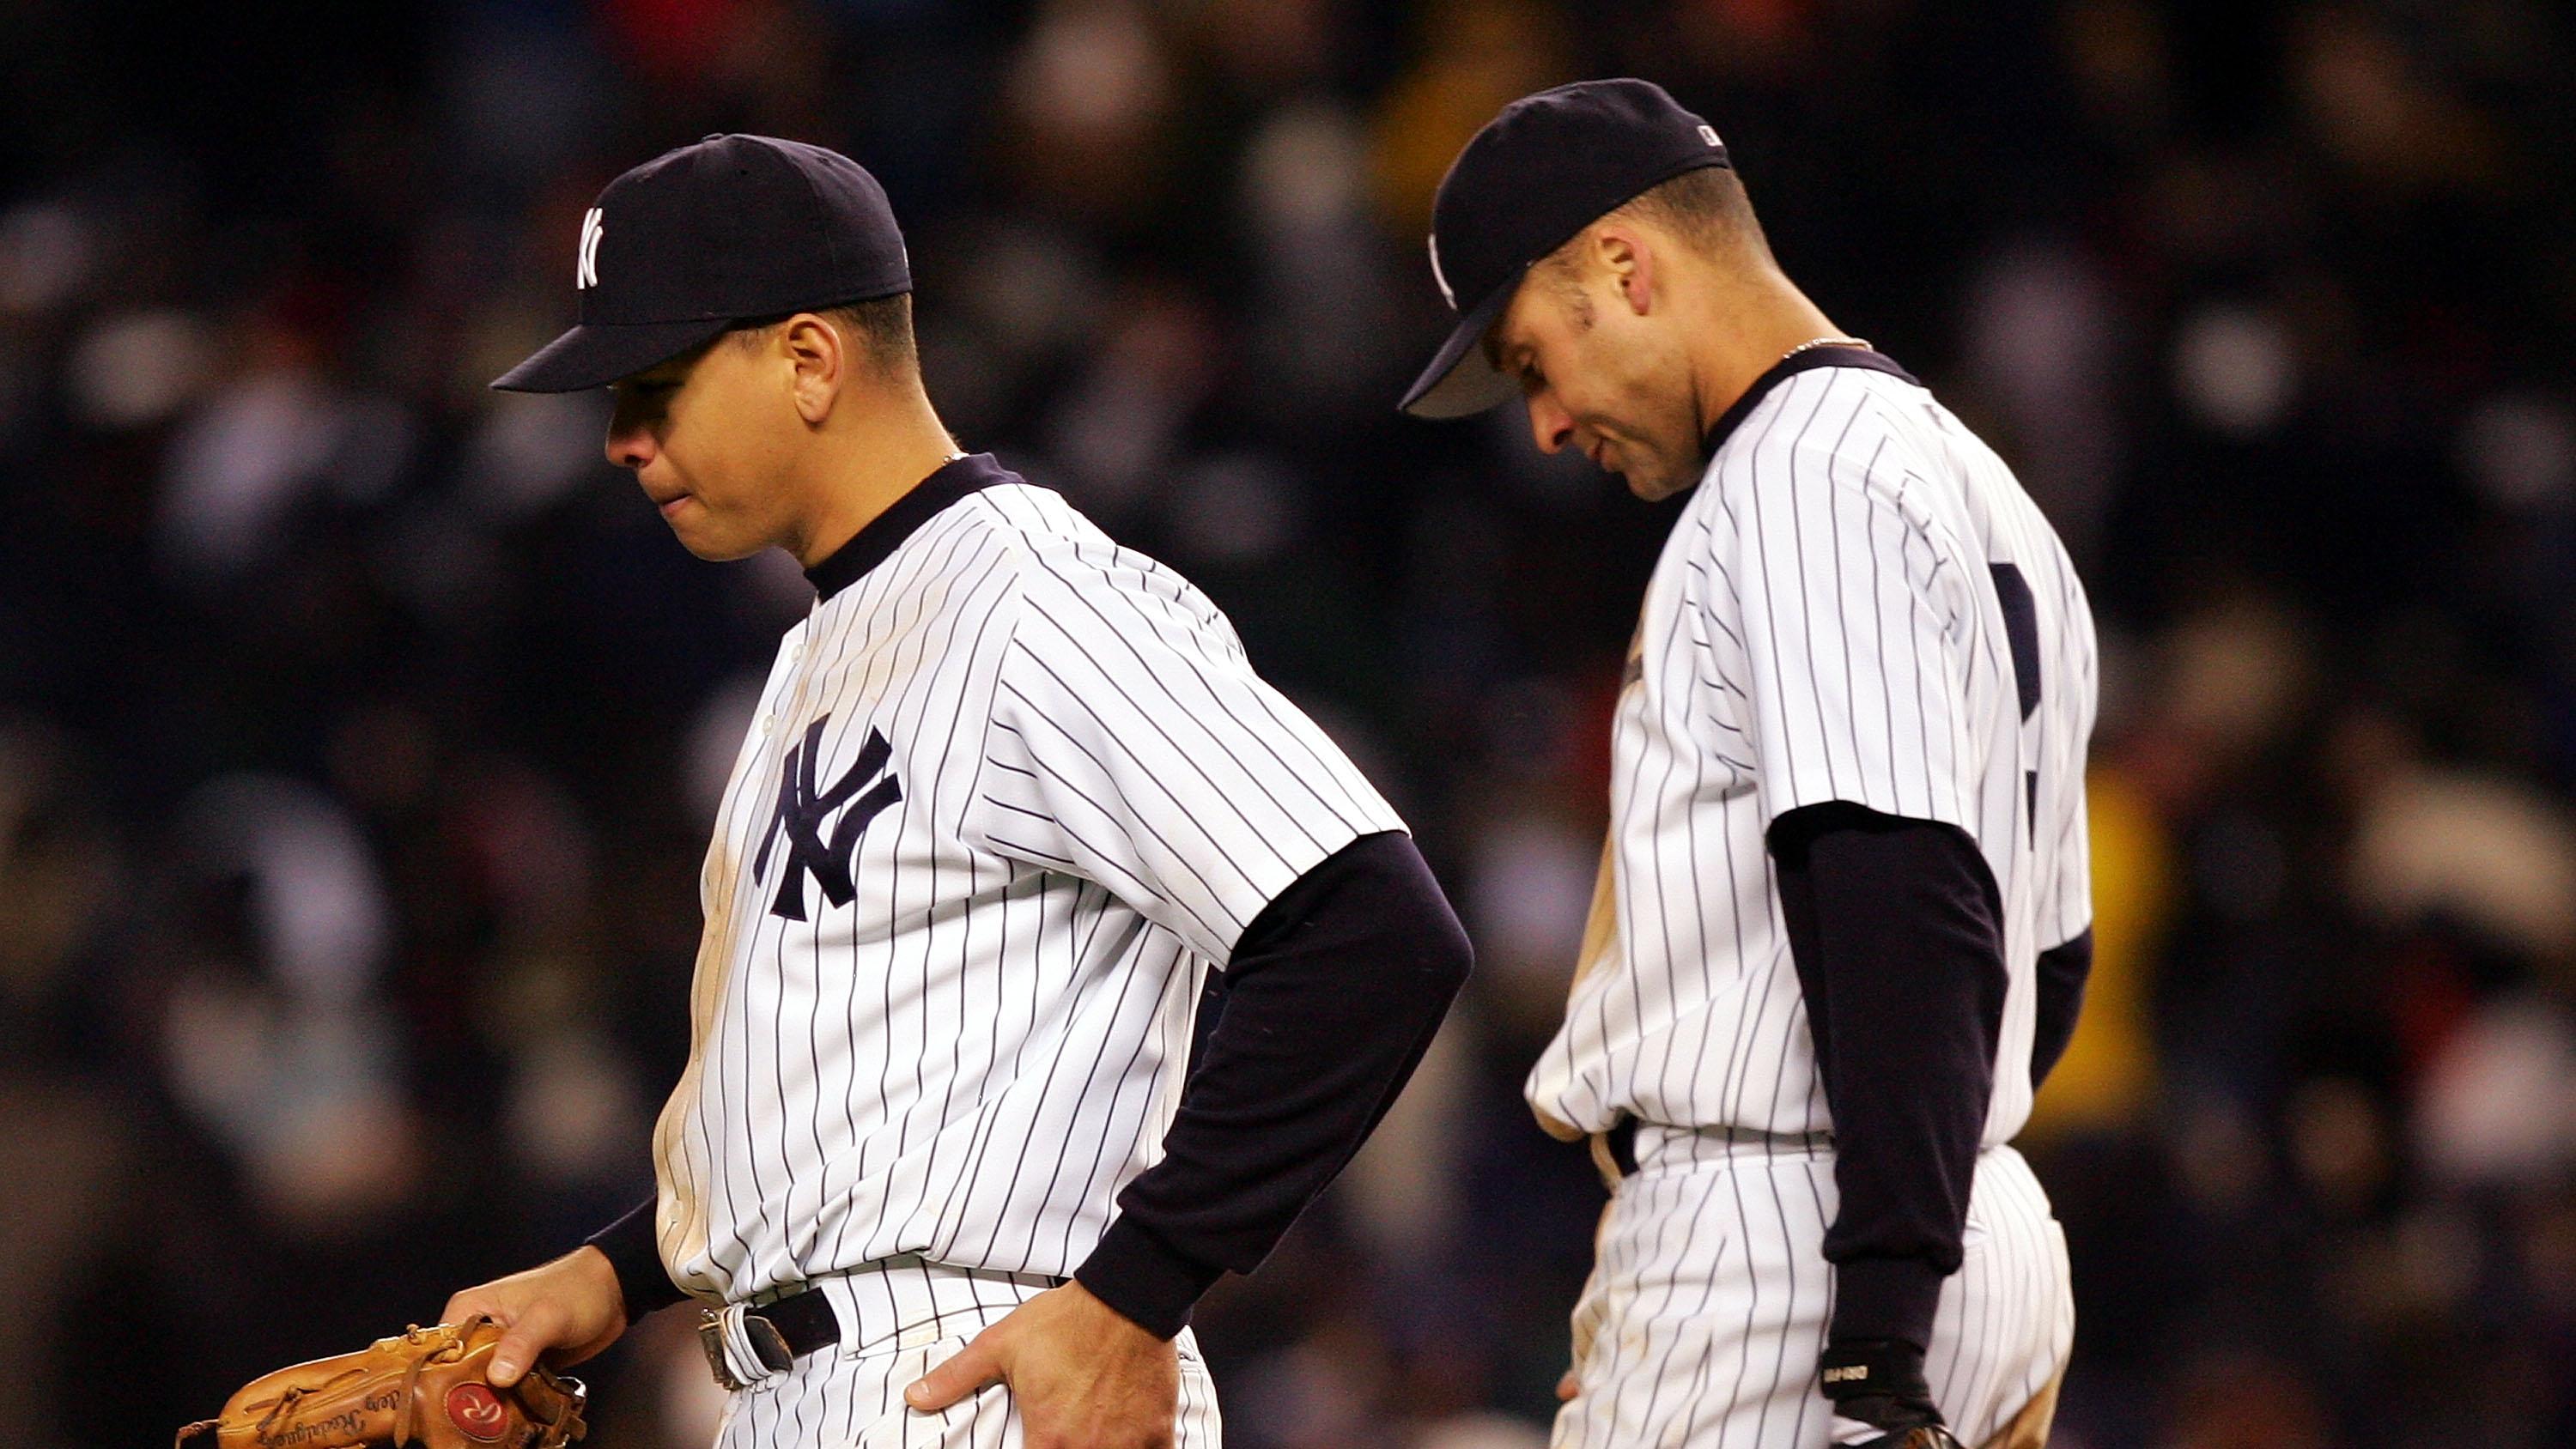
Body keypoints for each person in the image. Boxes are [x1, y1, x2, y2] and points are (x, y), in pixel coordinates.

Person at [449, 133, 1473, 1449]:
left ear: (809, 359)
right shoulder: (828, 644)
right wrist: (611, 1273)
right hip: (818, 1380)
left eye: (654, 385)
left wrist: (1136, 1296)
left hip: (980, 1376)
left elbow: (1372, 930)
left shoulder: (1033, 601)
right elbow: (852, 1111)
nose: (620, 439)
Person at [1399, 82, 2096, 1449]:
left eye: (1534, 359)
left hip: (1800, 1240)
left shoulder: (1801, 471)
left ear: (1624, 267)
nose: (1542, 423)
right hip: (1962, 1216)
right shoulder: (1983, 486)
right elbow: (2051, 961)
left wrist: (1861, 1315)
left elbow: (1898, 880)